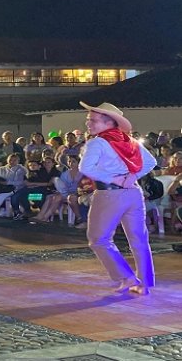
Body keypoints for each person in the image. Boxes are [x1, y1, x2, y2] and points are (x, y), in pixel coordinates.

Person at [78, 102, 157, 295]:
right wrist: (131, 178)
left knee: (98, 239)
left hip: (110, 194)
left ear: (108, 122)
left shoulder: (97, 142)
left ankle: (127, 277)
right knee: (139, 239)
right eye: (89, 119)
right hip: (133, 193)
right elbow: (151, 162)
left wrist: (115, 179)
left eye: (93, 120)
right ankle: (145, 283)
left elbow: (85, 168)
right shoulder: (128, 140)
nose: (88, 123)